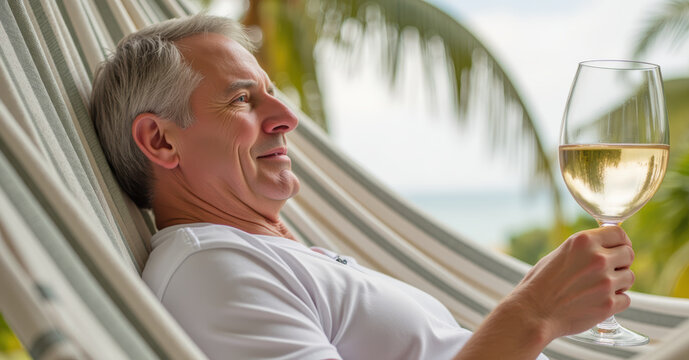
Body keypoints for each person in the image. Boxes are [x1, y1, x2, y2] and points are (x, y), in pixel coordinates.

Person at [90, 14, 636, 360]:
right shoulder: (210, 270)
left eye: (272, 92)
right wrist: (533, 314)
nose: (286, 116)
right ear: (160, 141)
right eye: (241, 100)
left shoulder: (264, 255)